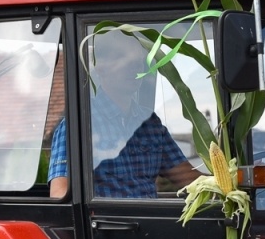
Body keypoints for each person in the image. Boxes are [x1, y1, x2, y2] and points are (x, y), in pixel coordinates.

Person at [48, 36, 201, 199]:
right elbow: (60, 194)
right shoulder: (79, 125)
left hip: (153, 221)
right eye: (122, 57)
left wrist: (226, 186)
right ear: (100, 67)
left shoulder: (150, 123)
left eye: (137, 60)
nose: (134, 66)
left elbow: (190, 180)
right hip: (107, 223)